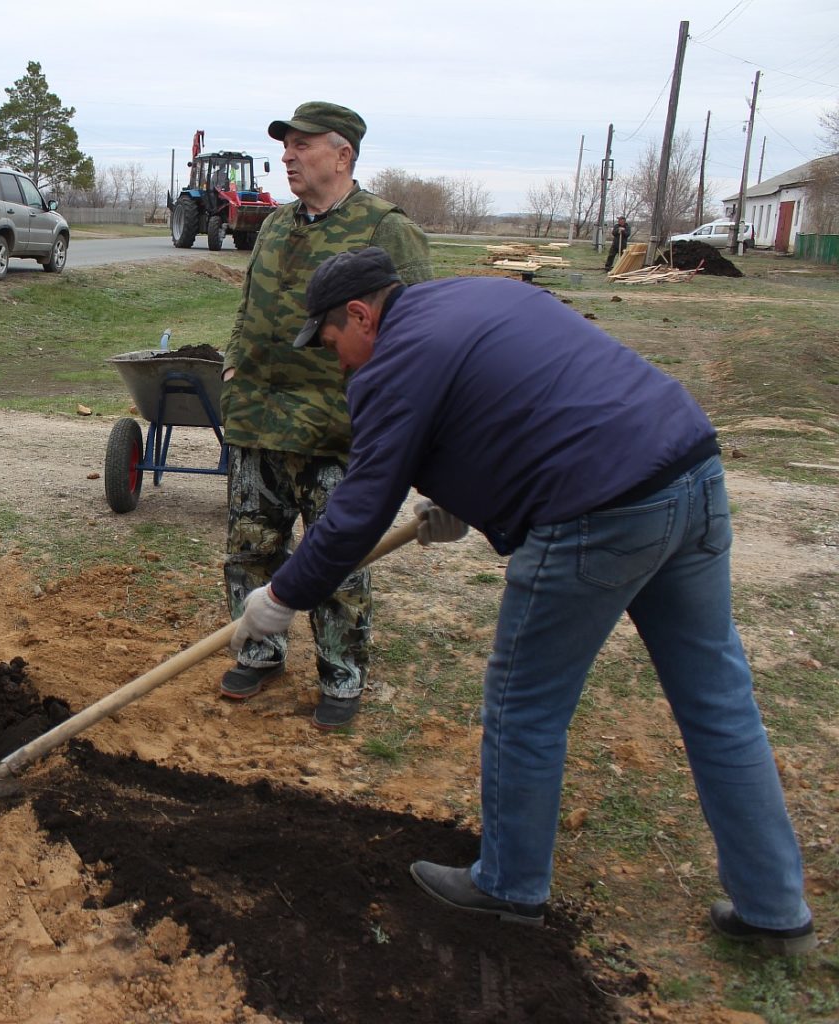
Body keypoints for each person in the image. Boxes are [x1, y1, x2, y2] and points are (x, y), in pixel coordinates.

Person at [233, 247, 815, 955]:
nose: (336, 358)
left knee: (524, 705)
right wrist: (456, 497)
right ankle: (774, 908)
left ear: (360, 314)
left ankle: (508, 884)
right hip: (690, 471)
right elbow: (529, 403)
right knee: (717, 700)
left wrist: (282, 596)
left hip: (597, 512)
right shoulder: (481, 297)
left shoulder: (391, 361)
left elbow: (356, 512)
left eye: (330, 339)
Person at [220, 101, 434, 730]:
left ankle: (342, 674)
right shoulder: (276, 225)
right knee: (250, 550)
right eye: (286, 145)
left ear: (343, 155)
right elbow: (248, 306)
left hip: (339, 431)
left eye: (303, 145)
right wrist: (234, 366)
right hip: (259, 422)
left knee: (339, 562)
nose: (287, 155)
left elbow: (418, 331)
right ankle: (259, 653)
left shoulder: (386, 229)